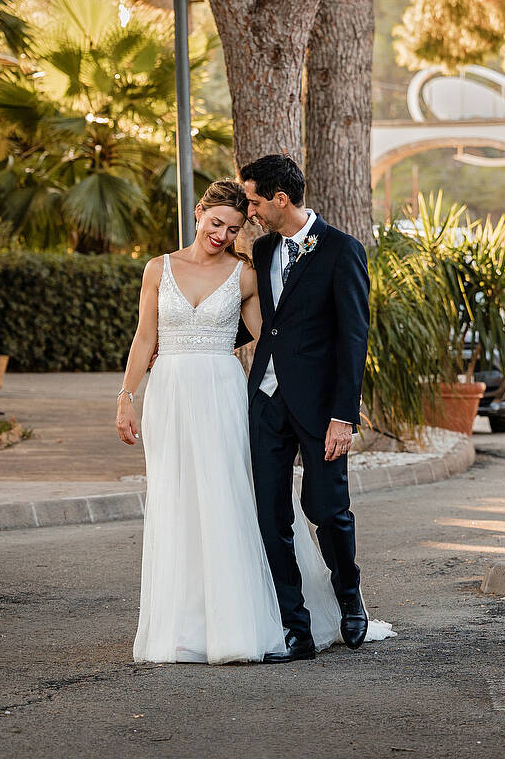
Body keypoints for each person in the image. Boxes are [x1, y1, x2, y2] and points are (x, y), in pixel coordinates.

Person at [114, 178, 389, 664]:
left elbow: (276, 333)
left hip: (224, 395)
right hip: (170, 396)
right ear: (199, 213)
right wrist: (126, 396)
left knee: (236, 501)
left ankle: (287, 612)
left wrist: (336, 403)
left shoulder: (246, 272)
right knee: (179, 503)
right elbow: (143, 337)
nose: (221, 235)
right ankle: (188, 622)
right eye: (216, 223)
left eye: (233, 228)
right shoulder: (158, 268)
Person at [241, 154, 371, 664]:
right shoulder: (263, 249)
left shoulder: (341, 250)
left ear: (280, 199)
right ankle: (296, 629)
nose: (250, 211)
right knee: (271, 516)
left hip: (320, 408)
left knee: (327, 509)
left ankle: (350, 598)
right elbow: (264, 322)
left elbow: (353, 339)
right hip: (266, 400)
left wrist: (344, 415)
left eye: (254, 201)